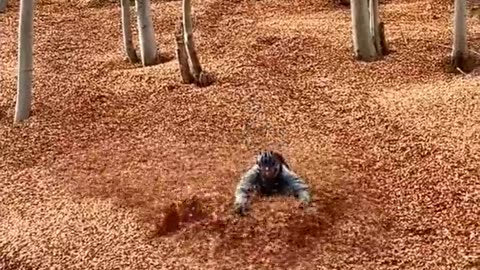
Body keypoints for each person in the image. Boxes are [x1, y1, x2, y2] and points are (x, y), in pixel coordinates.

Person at [233, 151, 311, 215]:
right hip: (262, 190)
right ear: (260, 168)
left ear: (276, 167)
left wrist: (303, 201)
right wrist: (240, 202)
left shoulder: (285, 173)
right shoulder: (253, 172)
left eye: (270, 170)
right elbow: (242, 188)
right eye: (265, 170)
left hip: (281, 190)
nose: (267, 173)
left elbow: (302, 188)